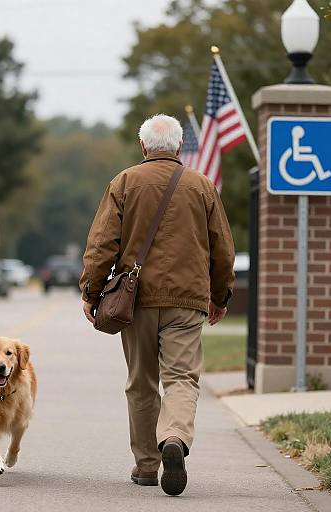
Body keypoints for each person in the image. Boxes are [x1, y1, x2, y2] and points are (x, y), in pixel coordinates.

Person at [79, 114, 235, 496]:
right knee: (181, 378)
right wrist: (220, 295)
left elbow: (102, 245)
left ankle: (148, 466)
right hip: (187, 300)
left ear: (143, 146)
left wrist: (91, 291)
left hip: (137, 301)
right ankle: (175, 439)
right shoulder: (202, 186)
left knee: (141, 383)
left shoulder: (125, 182)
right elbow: (223, 249)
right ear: (179, 147)